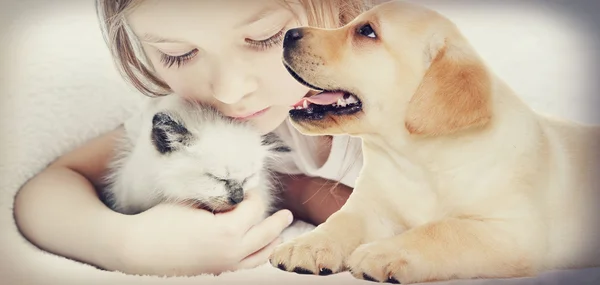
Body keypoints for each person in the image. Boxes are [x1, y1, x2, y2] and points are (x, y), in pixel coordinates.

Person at [13, 0, 380, 277]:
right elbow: (51, 186)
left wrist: (303, 193)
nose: (229, 91)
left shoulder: (399, 105)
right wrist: (126, 245)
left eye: (266, 37)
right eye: (178, 54)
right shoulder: (197, 118)